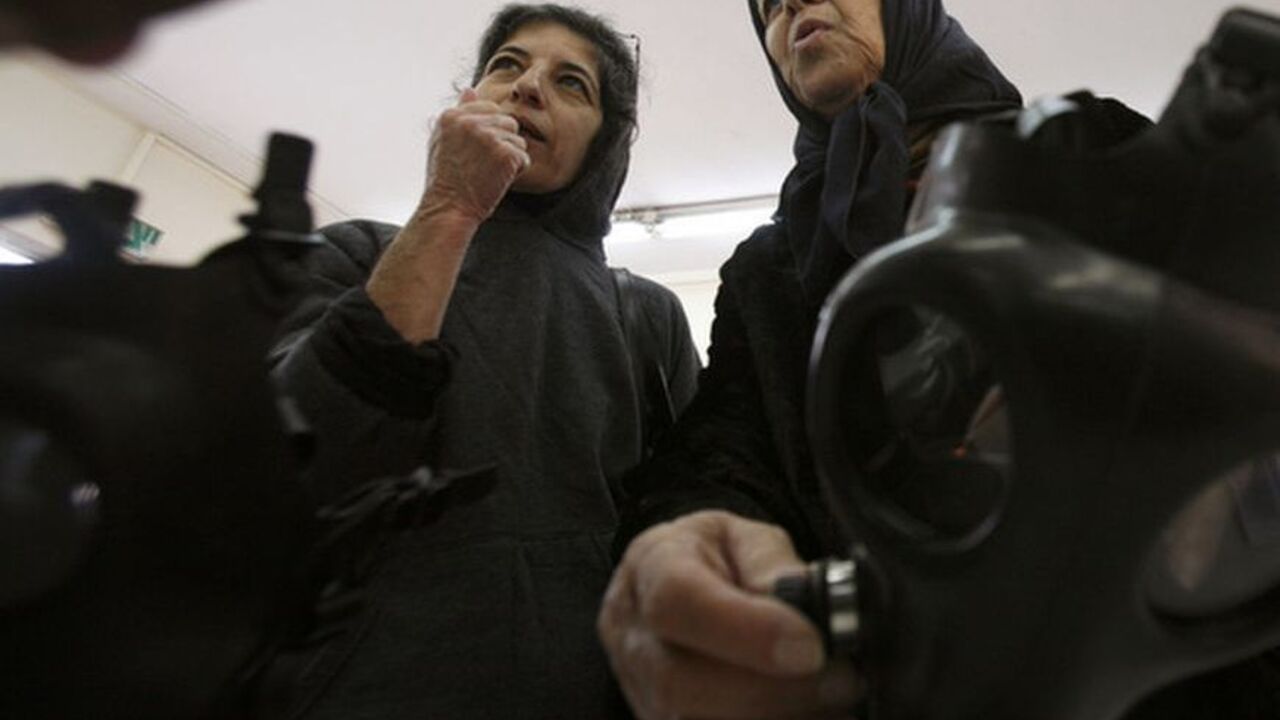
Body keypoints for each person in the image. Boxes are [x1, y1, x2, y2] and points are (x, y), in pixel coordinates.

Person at [270, 4, 699, 718]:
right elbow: (291, 459)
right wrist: (449, 207)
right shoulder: (354, 255)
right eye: (508, 65)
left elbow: (684, 516)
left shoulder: (644, 315)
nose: (527, 87)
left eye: (572, 84)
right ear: (470, 98)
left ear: (605, 142)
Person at [597, 0, 1022, 718]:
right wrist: (692, 532)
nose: (789, 5)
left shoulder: (1081, 158)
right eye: (767, 8)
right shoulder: (770, 267)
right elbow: (725, 446)